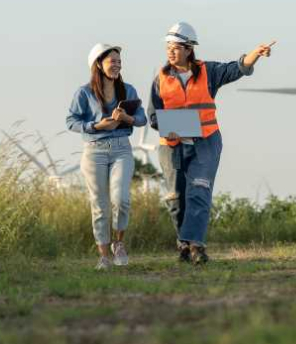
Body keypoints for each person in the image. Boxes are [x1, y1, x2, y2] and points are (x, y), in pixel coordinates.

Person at [149, 22, 273, 265]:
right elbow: (153, 115)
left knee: (199, 191)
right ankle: (183, 242)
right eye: (168, 47)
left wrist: (255, 54)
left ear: (188, 48)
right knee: (176, 199)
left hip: (206, 142)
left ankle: (196, 246)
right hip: (171, 145)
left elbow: (236, 68)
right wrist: (169, 129)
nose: (170, 52)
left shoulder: (209, 72)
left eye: (175, 47)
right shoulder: (160, 79)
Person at [66, 43, 147, 271]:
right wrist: (96, 125)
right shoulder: (84, 93)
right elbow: (71, 121)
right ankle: (103, 255)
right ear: (98, 65)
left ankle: (118, 243)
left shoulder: (128, 90)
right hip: (94, 150)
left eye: (119, 61)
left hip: (122, 148)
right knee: (100, 205)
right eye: (113, 61)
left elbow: (141, 119)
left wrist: (127, 119)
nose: (117, 65)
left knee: (121, 199)